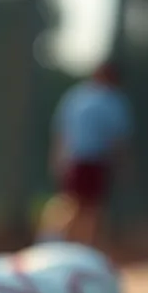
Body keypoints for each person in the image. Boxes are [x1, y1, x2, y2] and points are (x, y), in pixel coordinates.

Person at [40, 60, 133, 247]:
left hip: (74, 159)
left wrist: (57, 158)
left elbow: (61, 132)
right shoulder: (113, 100)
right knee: (89, 208)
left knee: (70, 202)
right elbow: (118, 139)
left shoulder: (75, 96)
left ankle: (52, 240)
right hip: (94, 160)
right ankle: (78, 246)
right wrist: (125, 166)